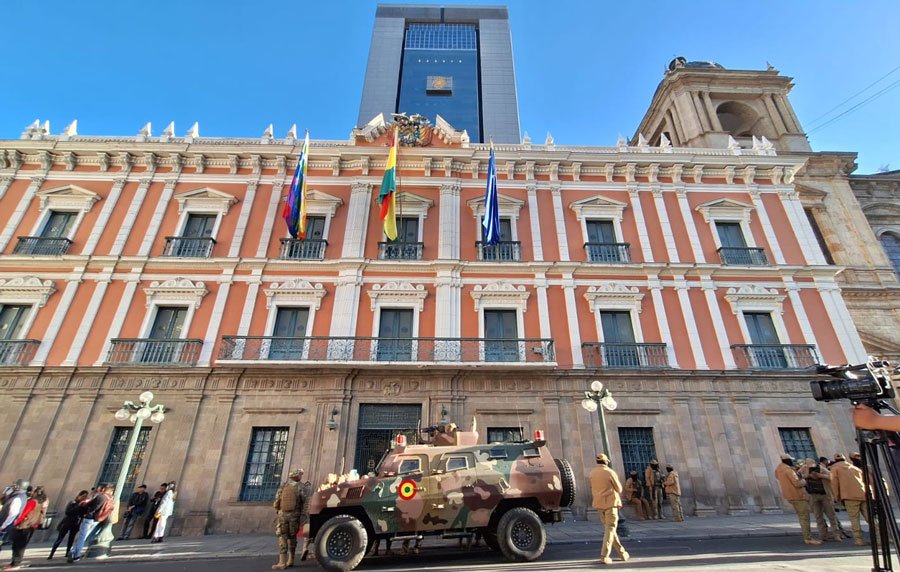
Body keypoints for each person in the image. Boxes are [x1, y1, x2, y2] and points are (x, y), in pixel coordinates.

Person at [590, 453, 629, 565]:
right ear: (606, 461)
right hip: (610, 504)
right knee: (610, 529)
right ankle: (604, 555)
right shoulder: (610, 472)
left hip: (599, 504)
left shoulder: (592, 473)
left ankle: (622, 553)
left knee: (609, 529)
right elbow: (619, 488)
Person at [774, 454, 821, 545]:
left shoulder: (779, 469)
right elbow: (797, 483)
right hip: (798, 495)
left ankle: (807, 536)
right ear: (787, 460)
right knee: (804, 518)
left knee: (802, 517)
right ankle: (808, 538)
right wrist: (804, 480)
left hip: (789, 495)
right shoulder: (788, 470)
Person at [271, 468, 309, 570]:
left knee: (282, 537)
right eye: (300, 474)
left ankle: (282, 562)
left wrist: (278, 510)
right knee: (292, 537)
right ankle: (290, 560)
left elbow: (276, 502)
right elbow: (305, 503)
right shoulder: (302, 487)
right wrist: (303, 516)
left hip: (283, 515)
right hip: (294, 516)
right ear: (297, 476)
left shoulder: (284, 486)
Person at [798, 458, 841, 541]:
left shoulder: (822, 469)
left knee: (831, 516)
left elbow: (832, 477)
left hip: (825, 495)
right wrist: (804, 470)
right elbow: (798, 476)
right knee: (818, 516)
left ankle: (836, 534)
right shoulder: (805, 470)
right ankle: (822, 535)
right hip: (813, 495)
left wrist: (821, 475)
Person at [831, 453, 869, 546]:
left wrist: (836, 497)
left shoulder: (835, 468)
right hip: (862, 494)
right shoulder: (854, 468)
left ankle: (858, 540)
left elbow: (834, 484)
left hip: (849, 496)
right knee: (870, 518)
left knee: (854, 519)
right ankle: (879, 538)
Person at [6, 486, 47, 571]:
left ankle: (15, 563)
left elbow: (24, 513)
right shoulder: (43, 503)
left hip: (24, 525)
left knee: (18, 545)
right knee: (21, 545)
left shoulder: (32, 502)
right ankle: (15, 563)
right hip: (32, 525)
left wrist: (16, 522)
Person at [70, 484, 113, 562]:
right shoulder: (110, 499)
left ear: (103, 489)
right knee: (85, 535)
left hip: (90, 517)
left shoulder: (100, 497)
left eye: (99, 489)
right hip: (97, 519)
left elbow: (90, 505)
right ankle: (75, 552)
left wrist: (87, 509)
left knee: (82, 536)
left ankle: (75, 553)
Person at [48, 490, 89, 560]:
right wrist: (78, 506)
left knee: (71, 538)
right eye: (83, 496)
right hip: (68, 522)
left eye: (85, 496)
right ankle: (52, 553)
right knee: (60, 537)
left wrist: (86, 506)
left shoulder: (84, 505)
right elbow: (68, 512)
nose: (84, 498)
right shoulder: (73, 502)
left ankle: (67, 552)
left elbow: (84, 513)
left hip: (76, 523)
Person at [0, 481, 29, 554]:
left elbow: (13, 514)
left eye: (14, 486)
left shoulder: (17, 498)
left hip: (5, 525)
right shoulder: (19, 496)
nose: (12, 487)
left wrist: (3, 526)